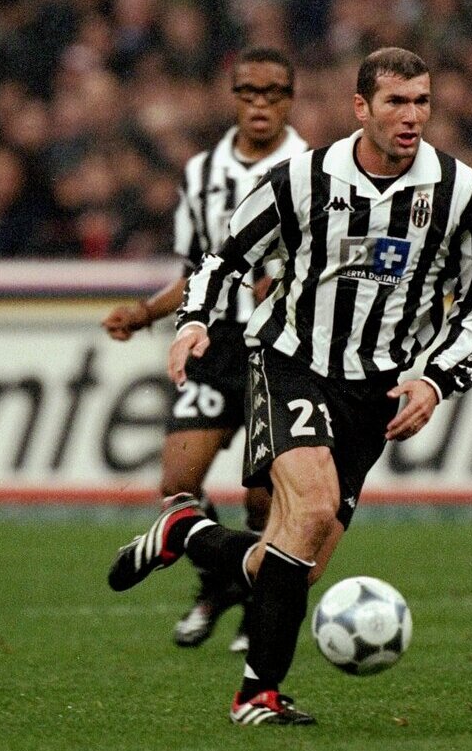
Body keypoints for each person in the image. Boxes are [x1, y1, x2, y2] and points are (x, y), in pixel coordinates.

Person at [107, 46, 472, 725]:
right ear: (360, 107)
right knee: (310, 508)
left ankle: (187, 531)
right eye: (396, 102)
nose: (411, 117)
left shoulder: (462, 194)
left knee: (295, 565)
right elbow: (224, 257)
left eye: (422, 102)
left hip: (372, 392)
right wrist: (193, 320)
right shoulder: (306, 178)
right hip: (291, 361)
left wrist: (435, 380)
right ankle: (256, 693)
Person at [101, 47, 308, 651]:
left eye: (274, 92)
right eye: (249, 92)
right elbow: (198, 270)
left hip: (282, 350)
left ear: (291, 98)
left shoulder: (315, 170)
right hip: (215, 346)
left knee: (266, 495)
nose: (261, 104)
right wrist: (144, 313)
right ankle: (219, 582)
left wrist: (288, 280)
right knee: (178, 484)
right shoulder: (200, 175)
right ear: (234, 96)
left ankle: (255, 605)